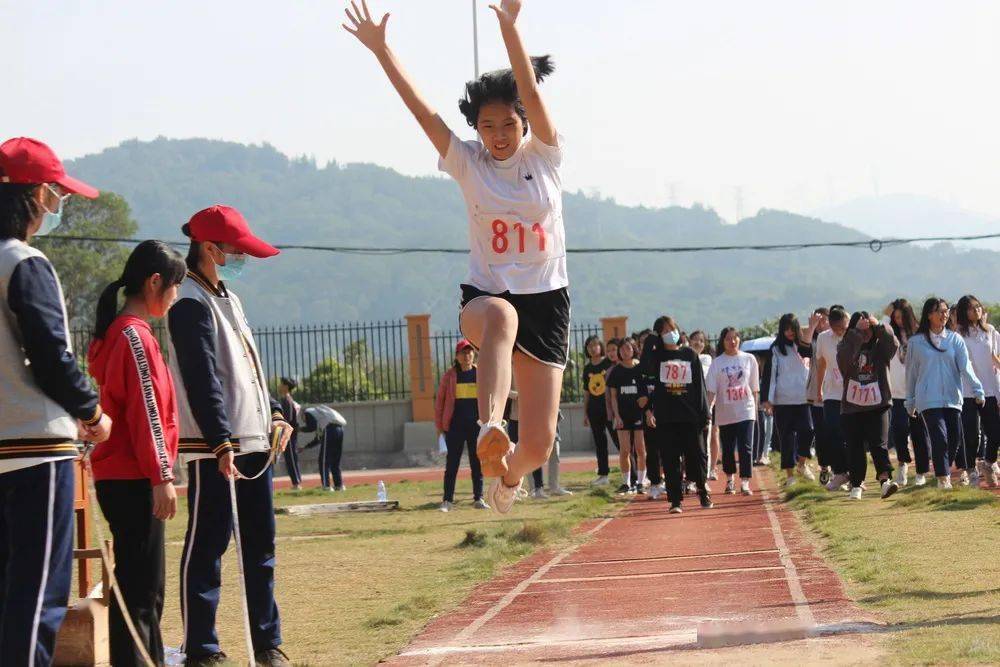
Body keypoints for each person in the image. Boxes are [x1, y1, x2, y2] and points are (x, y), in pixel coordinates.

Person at [345, 0, 568, 514]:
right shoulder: (468, 163)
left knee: (539, 443)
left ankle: (508, 472)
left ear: (524, 123)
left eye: (508, 124)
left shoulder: (546, 156)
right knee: (501, 315)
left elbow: (530, 90)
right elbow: (422, 112)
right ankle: (492, 425)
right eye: (487, 126)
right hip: (487, 298)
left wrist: (509, 27)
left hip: (549, 302)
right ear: (477, 128)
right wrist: (383, 51)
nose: (498, 135)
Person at [0, 137, 112, 666]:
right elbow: (50, 356)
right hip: (35, 449)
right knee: (37, 592)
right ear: (36, 195)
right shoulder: (23, 262)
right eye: (53, 194)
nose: (54, 206)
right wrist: (92, 411)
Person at [167, 205, 293, 667]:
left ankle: (267, 643)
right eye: (236, 249)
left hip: (256, 442)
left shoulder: (229, 299)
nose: (242, 256)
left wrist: (276, 413)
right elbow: (202, 378)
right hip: (215, 449)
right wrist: (220, 440)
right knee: (207, 546)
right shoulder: (188, 303)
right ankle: (202, 646)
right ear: (209, 249)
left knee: (260, 546)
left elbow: (251, 371)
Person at [87, 240, 186, 666]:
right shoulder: (134, 337)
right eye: (174, 286)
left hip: (122, 476)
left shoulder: (118, 334)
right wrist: (161, 476)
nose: (176, 295)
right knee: (144, 590)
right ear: (154, 282)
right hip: (134, 477)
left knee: (135, 584)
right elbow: (147, 411)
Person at [905, 298, 984, 489]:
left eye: (946, 310)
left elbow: (966, 367)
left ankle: (944, 467)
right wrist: (910, 400)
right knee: (939, 437)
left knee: (954, 438)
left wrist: (977, 389)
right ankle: (943, 478)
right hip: (928, 399)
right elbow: (911, 372)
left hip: (952, 397)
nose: (944, 314)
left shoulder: (954, 339)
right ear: (929, 315)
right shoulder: (916, 342)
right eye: (939, 311)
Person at [642, 316, 713, 513]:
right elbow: (645, 369)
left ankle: (702, 489)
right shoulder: (657, 358)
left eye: (671, 329)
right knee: (670, 459)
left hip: (690, 416)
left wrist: (705, 413)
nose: (669, 333)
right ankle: (675, 500)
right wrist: (651, 343)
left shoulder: (690, 355)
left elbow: (700, 386)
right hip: (666, 416)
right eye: (663, 331)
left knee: (696, 456)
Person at [836, 312, 900, 500]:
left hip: (878, 404)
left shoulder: (881, 349)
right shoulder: (845, 345)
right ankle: (856, 485)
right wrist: (856, 334)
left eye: (868, 330)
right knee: (855, 446)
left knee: (879, 444)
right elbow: (844, 362)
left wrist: (879, 326)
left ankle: (885, 481)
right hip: (852, 407)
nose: (865, 333)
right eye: (860, 330)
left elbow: (893, 343)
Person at [762, 313, 818, 485]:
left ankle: (802, 464)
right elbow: (770, 376)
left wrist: (812, 327)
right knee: (786, 438)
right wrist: (767, 400)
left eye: (792, 328)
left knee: (808, 431)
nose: (789, 332)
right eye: (785, 329)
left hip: (804, 399)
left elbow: (808, 352)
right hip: (783, 401)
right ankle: (790, 475)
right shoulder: (776, 349)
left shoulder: (804, 344)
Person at [434, 339, 488, 511]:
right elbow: (440, 403)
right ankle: (447, 501)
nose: (467, 355)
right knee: (452, 464)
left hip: (476, 427)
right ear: (457, 356)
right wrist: (440, 427)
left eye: (470, 352)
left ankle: (478, 498)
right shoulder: (449, 376)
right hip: (455, 427)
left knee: (477, 463)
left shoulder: (480, 374)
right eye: (463, 353)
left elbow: (489, 397)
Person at [706, 328, 760, 495]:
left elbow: (754, 387)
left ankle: (745, 482)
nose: (732, 341)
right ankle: (730, 480)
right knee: (728, 449)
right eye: (728, 339)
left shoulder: (749, 359)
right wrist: (708, 409)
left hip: (746, 410)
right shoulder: (717, 363)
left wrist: (755, 410)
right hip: (725, 413)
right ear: (723, 341)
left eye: (735, 338)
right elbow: (711, 390)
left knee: (746, 447)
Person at [955, 294, 1000, 487]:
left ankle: (988, 463)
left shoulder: (990, 331)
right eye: (972, 308)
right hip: (968, 391)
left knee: (995, 433)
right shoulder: (958, 334)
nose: (977, 310)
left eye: (978, 307)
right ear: (964, 312)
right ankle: (971, 470)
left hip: (989, 389)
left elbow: (994, 357)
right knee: (971, 435)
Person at [885, 298, 930, 487]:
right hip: (896, 392)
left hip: (918, 392)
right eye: (895, 317)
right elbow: (881, 323)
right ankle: (902, 464)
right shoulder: (888, 333)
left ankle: (921, 472)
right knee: (899, 431)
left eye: (902, 317)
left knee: (920, 434)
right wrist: (888, 312)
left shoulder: (920, 334)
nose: (899, 320)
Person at [607, 338, 648, 494]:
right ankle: (626, 483)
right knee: (624, 450)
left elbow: (645, 393)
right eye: (622, 349)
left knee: (640, 449)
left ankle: (641, 482)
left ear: (633, 350)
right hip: (623, 416)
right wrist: (616, 415)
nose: (625, 351)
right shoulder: (616, 371)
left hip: (638, 414)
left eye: (628, 348)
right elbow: (613, 396)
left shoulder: (639, 369)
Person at [816, 307, 849, 488]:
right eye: (838, 328)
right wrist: (818, 388)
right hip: (831, 393)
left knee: (850, 434)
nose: (841, 332)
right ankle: (839, 472)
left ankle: (854, 475)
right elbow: (821, 365)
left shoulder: (853, 335)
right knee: (833, 432)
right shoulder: (823, 338)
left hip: (852, 393)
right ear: (831, 325)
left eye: (844, 327)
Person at [581, 335, 613, 485]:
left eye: (595, 345)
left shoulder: (608, 363)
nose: (593, 348)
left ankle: (633, 474)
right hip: (594, 410)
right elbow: (586, 392)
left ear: (601, 346)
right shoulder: (587, 369)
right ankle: (603, 474)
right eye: (589, 346)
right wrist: (585, 413)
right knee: (600, 443)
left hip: (610, 409)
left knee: (620, 441)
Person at [805, 307, 832, 485]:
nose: (822, 323)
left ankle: (840, 468)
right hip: (817, 393)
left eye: (825, 320)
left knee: (836, 432)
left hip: (836, 392)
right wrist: (812, 326)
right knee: (821, 433)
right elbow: (803, 346)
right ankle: (824, 466)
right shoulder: (814, 340)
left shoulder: (837, 338)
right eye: (819, 320)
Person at [689, 330, 719, 482]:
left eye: (701, 340)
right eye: (694, 340)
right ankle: (690, 477)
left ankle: (705, 474)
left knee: (706, 441)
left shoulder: (707, 359)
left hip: (705, 406)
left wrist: (709, 406)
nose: (698, 343)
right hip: (688, 407)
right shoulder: (685, 358)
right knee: (690, 444)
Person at [298, 405, 348, 491]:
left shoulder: (308, 412)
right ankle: (339, 485)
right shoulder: (321, 417)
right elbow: (318, 439)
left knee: (323, 461)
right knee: (335, 461)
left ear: (303, 414)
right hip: (340, 430)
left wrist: (299, 429)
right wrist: (305, 447)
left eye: (303, 418)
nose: (305, 421)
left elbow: (311, 427)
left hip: (329, 430)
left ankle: (326, 486)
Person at [277, 378, 303, 490]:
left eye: (281, 384)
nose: (279, 386)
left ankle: (296, 483)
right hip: (290, 432)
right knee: (291, 457)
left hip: (289, 433)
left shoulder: (287, 400)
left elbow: (288, 418)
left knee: (291, 457)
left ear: (286, 387)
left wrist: (283, 431)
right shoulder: (286, 399)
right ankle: (297, 481)